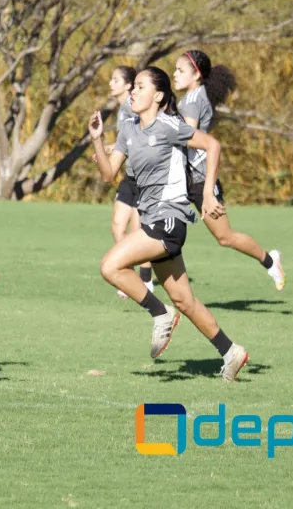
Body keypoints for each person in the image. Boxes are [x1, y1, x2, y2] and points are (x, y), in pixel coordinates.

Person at [90, 66, 249, 382]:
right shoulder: (129, 129)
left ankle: (159, 313)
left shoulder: (169, 126)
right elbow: (109, 175)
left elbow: (212, 146)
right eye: (132, 87)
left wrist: (206, 193)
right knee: (185, 301)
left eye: (140, 86)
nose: (132, 92)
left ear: (158, 96)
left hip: (169, 221)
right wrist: (97, 140)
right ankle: (232, 352)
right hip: (152, 220)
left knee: (110, 266)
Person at [173, 50, 286, 291]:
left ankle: (270, 260)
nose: (175, 74)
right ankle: (146, 279)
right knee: (159, 222)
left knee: (225, 237)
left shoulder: (192, 101)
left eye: (180, 70)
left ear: (196, 75)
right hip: (185, 179)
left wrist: (164, 134)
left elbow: (190, 137)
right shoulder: (198, 95)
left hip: (200, 180)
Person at [106, 66, 154, 298]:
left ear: (128, 85)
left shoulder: (135, 107)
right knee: (117, 226)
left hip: (143, 179)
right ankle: (131, 275)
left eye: (115, 80)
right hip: (128, 177)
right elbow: (124, 144)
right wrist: (107, 149)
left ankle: (146, 281)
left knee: (138, 233)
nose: (110, 84)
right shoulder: (121, 111)